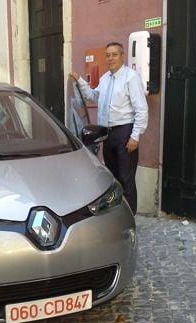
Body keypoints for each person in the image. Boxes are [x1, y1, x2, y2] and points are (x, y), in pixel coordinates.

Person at [70, 42, 148, 215]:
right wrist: (79, 81)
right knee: (112, 178)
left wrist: (135, 137)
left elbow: (141, 109)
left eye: (114, 54)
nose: (110, 58)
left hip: (125, 133)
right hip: (108, 134)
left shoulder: (131, 77)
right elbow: (93, 96)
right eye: (108, 55)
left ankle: (129, 218)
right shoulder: (105, 78)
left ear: (122, 56)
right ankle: (115, 216)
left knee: (126, 179)